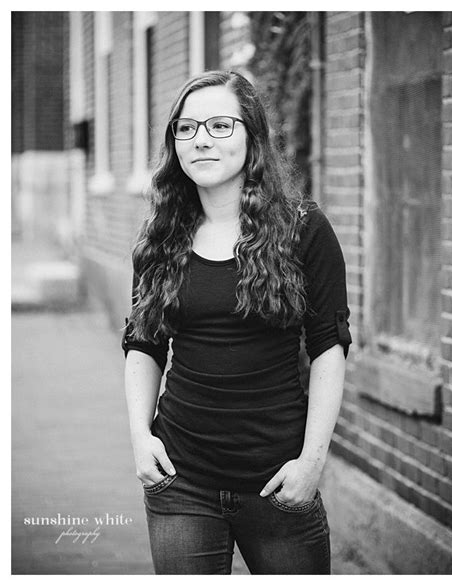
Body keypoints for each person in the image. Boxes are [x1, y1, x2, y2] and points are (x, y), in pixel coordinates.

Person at [121, 70, 352, 575]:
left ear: (253, 138)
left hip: (279, 482)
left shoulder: (302, 230)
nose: (201, 139)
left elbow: (329, 350)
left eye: (220, 126)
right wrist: (140, 436)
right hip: (181, 480)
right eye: (187, 128)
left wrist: (311, 464)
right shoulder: (160, 235)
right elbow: (144, 343)